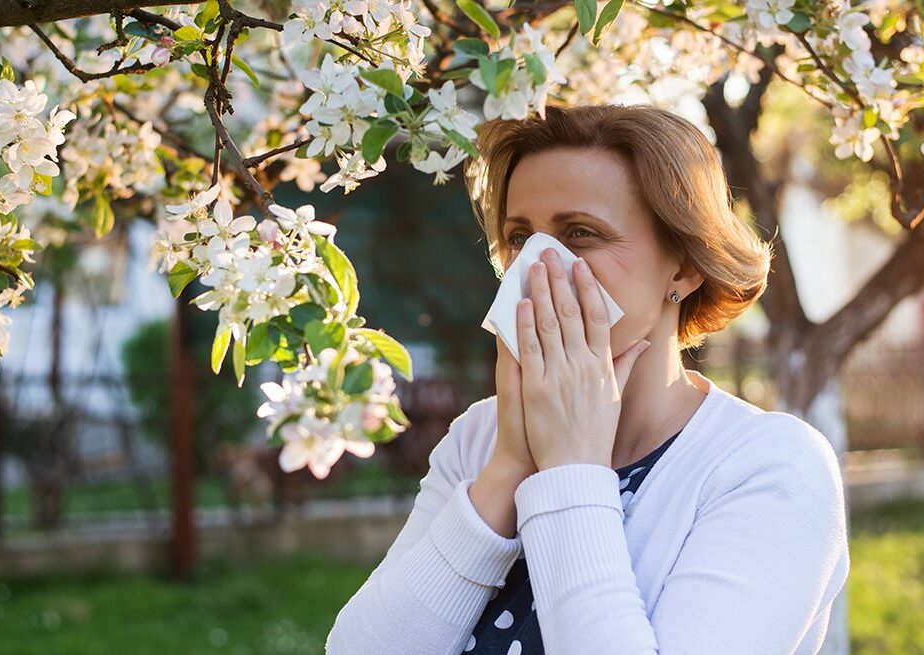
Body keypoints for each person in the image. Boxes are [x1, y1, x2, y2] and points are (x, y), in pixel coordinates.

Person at [325, 103, 850, 655]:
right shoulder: (480, 437)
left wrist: (571, 466)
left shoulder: (768, 466)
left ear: (684, 264)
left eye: (580, 233)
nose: (539, 265)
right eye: (520, 237)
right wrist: (510, 467)